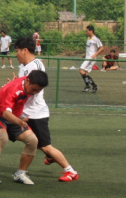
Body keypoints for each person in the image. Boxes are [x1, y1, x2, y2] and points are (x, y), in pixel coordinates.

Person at [15, 36, 80, 182]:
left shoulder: (35, 66)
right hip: (26, 112)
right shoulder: (23, 66)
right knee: (35, 143)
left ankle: (70, 171)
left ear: (24, 50)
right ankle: (49, 158)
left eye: (17, 51)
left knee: (45, 146)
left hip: (35, 114)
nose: (16, 54)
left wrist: (16, 92)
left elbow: (32, 90)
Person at [0, 70, 49, 186]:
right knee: (2, 138)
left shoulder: (29, 81)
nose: (34, 93)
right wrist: (19, 121)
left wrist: (18, 119)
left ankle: (20, 174)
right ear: (27, 81)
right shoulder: (13, 89)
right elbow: (5, 113)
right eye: (33, 90)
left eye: (38, 91)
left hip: (14, 117)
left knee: (33, 140)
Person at [79, 25, 106, 93]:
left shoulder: (95, 39)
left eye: (87, 31)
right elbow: (90, 49)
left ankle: (90, 86)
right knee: (85, 73)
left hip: (90, 58)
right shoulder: (89, 38)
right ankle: (92, 86)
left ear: (91, 31)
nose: (86, 32)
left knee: (81, 70)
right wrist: (85, 54)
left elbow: (102, 47)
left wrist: (95, 54)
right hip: (87, 57)